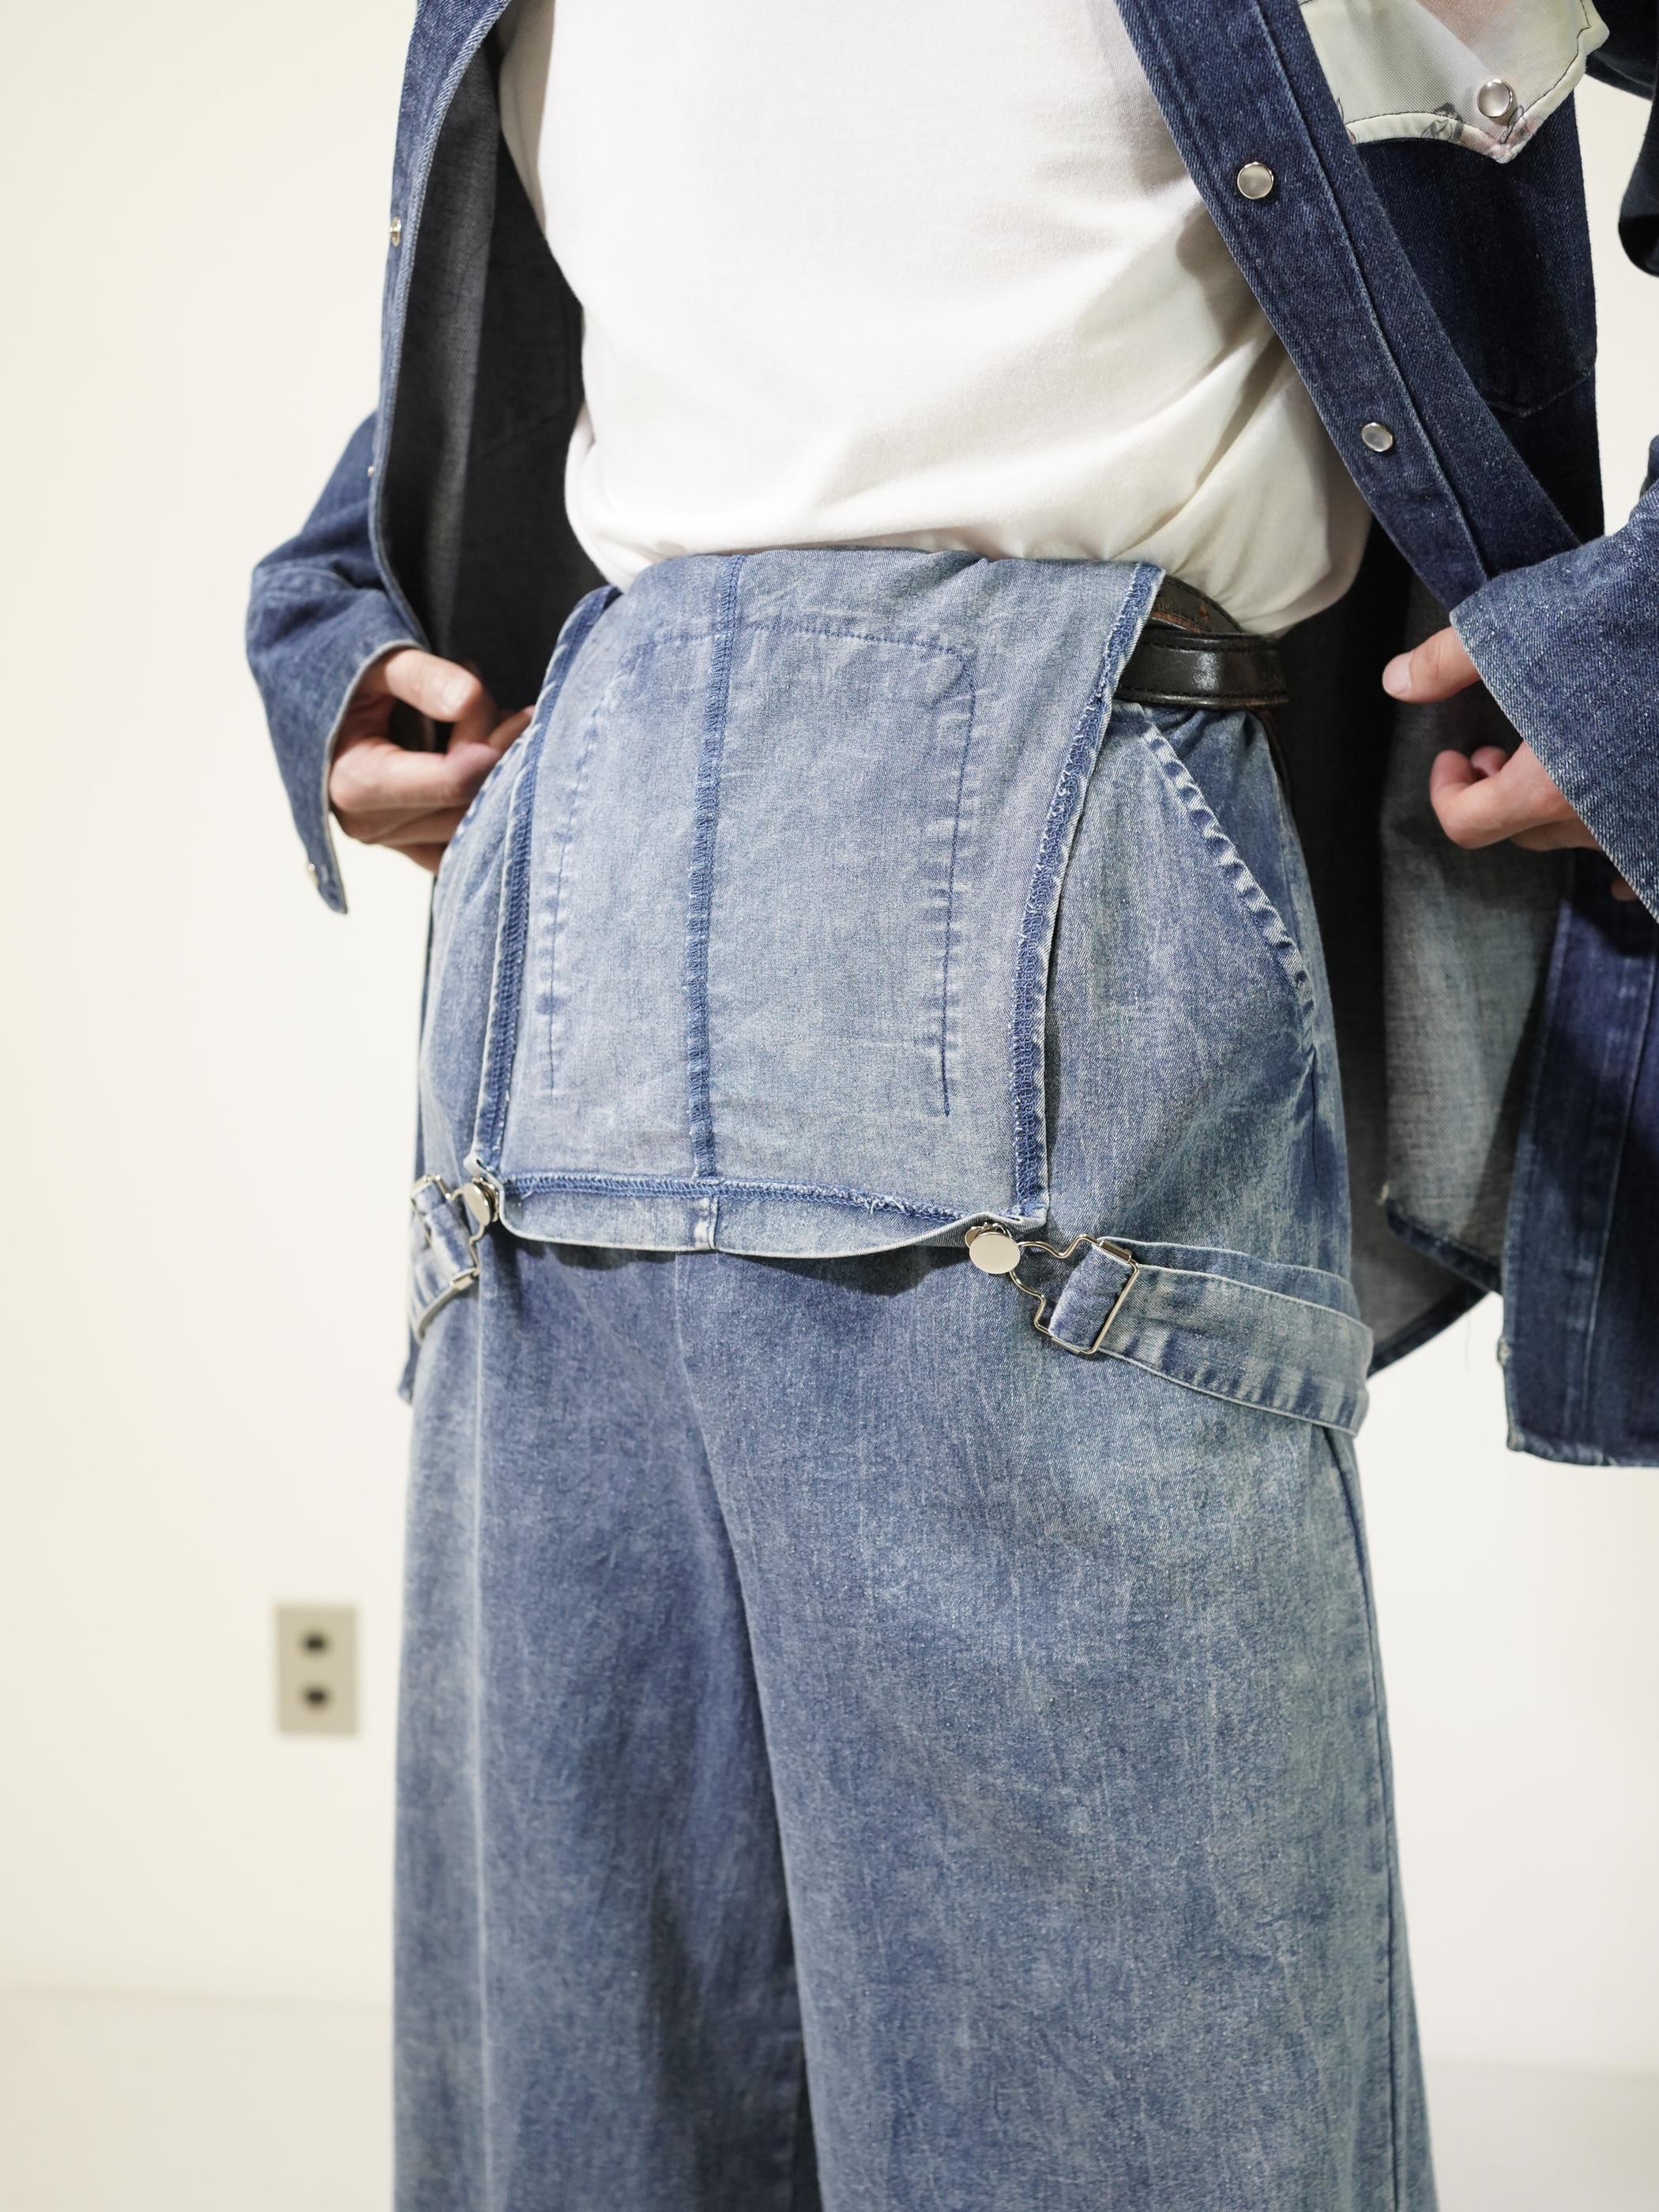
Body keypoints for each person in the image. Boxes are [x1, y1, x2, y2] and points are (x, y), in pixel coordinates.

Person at [248, 0, 1659, 2202]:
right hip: (579, 856)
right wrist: (339, 616)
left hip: (1055, 811)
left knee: (1117, 2115)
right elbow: (675, 290)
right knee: (591, 2102)